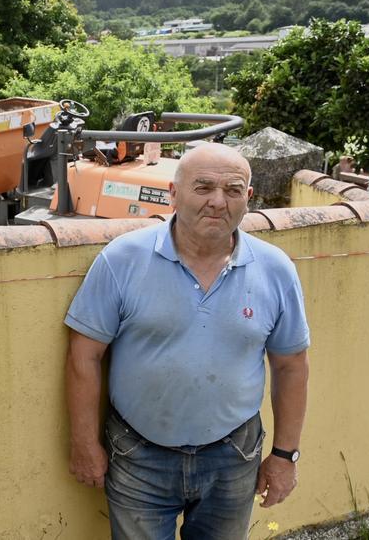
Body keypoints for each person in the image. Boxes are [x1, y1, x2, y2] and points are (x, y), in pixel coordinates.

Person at [64, 143, 311, 539]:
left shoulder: (276, 269)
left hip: (233, 456)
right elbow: (84, 355)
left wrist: (285, 456)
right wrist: (83, 443)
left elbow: (291, 365)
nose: (218, 202)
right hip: (137, 454)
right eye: (203, 187)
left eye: (232, 190)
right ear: (173, 193)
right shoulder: (122, 259)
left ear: (248, 199)